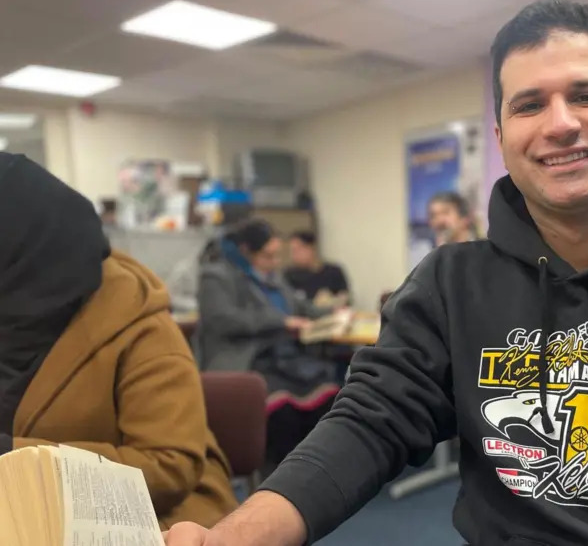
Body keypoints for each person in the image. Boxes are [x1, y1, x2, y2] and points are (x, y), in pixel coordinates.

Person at [166, 0, 588, 545]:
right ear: (502, 137)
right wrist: (238, 532)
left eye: (585, 95)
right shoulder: (450, 285)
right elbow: (369, 422)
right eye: (530, 104)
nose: (561, 123)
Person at [0, 152, 237, 530]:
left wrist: (16, 458)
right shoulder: (12, 308)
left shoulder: (135, 320)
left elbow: (170, 467)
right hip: (27, 515)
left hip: (153, 520)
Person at [195, 219, 341, 464]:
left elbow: (301, 307)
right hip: (248, 359)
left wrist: (335, 314)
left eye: (276, 256)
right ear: (245, 251)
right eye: (268, 256)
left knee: (331, 392)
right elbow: (224, 320)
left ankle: (314, 468)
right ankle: (282, 475)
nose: (275, 263)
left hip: (283, 359)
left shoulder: (270, 276)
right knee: (284, 411)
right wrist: (281, 322)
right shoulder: (216, 276)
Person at [283, 230, 350, 308]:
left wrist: (331, 301)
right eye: (291, 251)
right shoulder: (288, 275)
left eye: (297, 250)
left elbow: (344, 297)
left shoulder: (334, 271)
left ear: (311, 248)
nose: (293, 256)